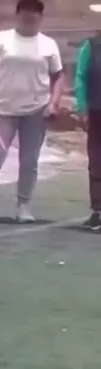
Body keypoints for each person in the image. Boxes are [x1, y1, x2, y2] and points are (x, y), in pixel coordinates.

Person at [0, 0, 64, 224]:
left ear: (40, 18)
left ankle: (23, 206)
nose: (29, 21)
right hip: (3, 109)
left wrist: (54, 103)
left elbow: (58, 76)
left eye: (34, 17)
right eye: (25, 16)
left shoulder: (48, 45)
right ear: (17, 16)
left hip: (36, 111)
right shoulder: (2, 39)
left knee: (29, 160)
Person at [73, 35, 101, 230]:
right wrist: (82, 107)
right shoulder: (91, 46)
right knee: (97, 161)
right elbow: (81, 76)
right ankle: (98, 211)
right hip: (96, 111)